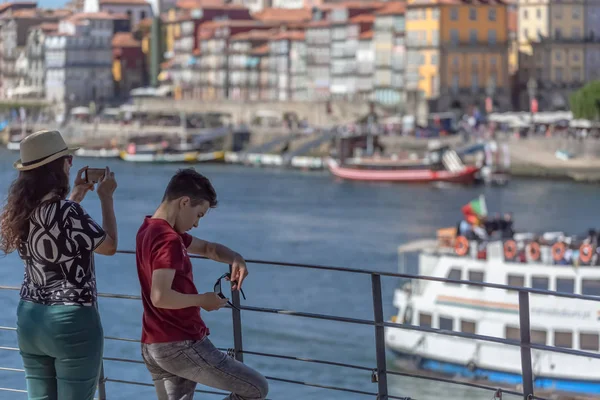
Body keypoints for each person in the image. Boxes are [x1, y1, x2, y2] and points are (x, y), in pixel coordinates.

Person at [0, 129, 118, 400]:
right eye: (67, 158)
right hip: (71, 322)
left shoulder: (21, 211)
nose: (71, 163)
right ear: (57, 167)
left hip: (30, 319)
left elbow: (54, 226)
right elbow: (109, 246)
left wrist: (75, 193)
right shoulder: (68, 212)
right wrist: (106, 197)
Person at [136, 168, 268, 400]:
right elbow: (161, 296)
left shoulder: (149, 229)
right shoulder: (169, 240)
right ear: (184, 202)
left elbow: (209, 249)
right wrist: (203, 301)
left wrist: (235, 257)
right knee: (256, 388)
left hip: (153, 344)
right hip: (180, 343)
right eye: (199, 215)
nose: (197, 224)